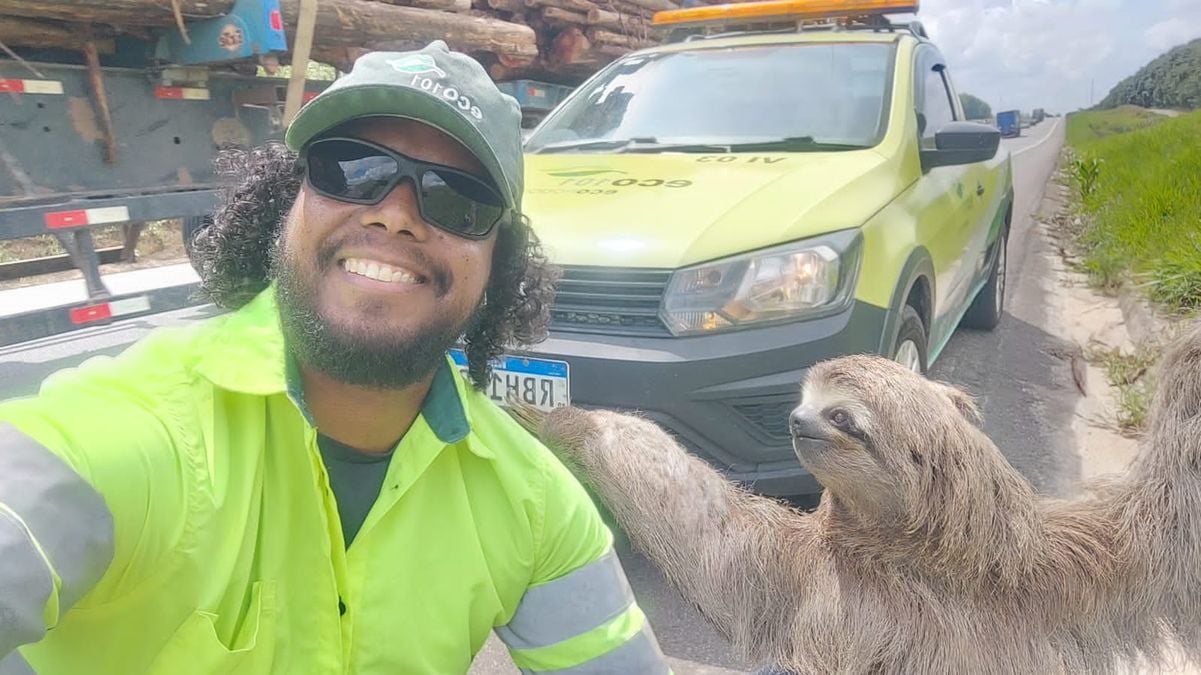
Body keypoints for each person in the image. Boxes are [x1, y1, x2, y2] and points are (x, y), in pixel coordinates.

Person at [0, 41, 669, 675]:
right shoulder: (140, 430)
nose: (395, 215)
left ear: (498, 266)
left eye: (456, 197)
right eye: (352, 169)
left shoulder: (532, 503)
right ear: (284, 206)